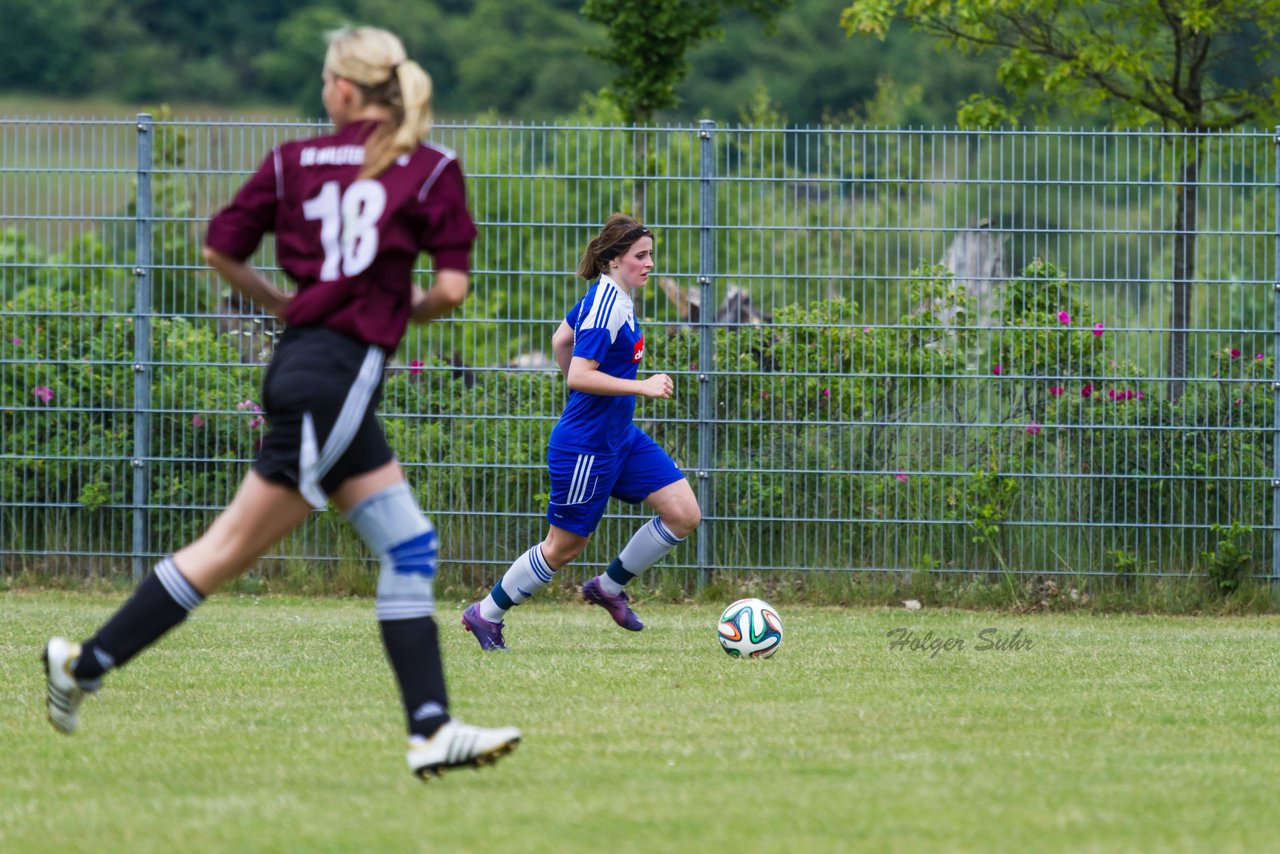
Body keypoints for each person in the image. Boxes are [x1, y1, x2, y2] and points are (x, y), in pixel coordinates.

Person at [42, 25, 519, 780]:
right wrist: (395, 307)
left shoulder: (292, 160)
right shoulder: (429, 169)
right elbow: (452, 291)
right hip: (337, 380)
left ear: (340, 89)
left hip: (309, 370)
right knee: (228, 549)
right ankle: (85, 663)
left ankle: (431, 725)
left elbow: (218, 246)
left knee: (409, 545)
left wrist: (281, 302)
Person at [462, 213, 701, 650]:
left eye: (650, 255)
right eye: (640, 256)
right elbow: (578, 375)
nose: (649, 264)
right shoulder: (607, 304)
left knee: (684, 513)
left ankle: (608, 588)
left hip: (619, 437)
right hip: (587, 446)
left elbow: (559, 341)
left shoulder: (613, 297)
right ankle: (486, 613)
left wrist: (599, 403)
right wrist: (639, 386)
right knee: (563, 548)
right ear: (613, 260)